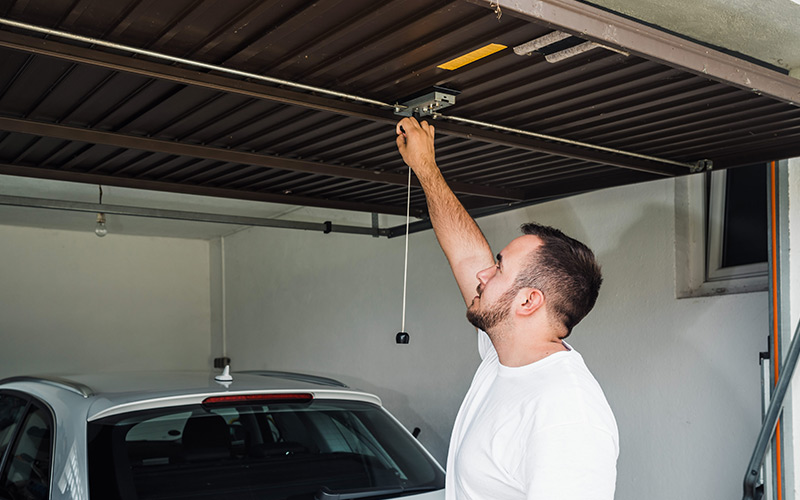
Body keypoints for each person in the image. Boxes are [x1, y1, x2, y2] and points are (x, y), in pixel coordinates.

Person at [395, 116, 619, 500]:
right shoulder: (503, 357)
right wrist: (425, 168)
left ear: (529, 301)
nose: (483, 273)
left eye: (499, 267)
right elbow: (467, 256)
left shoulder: (567, 414)